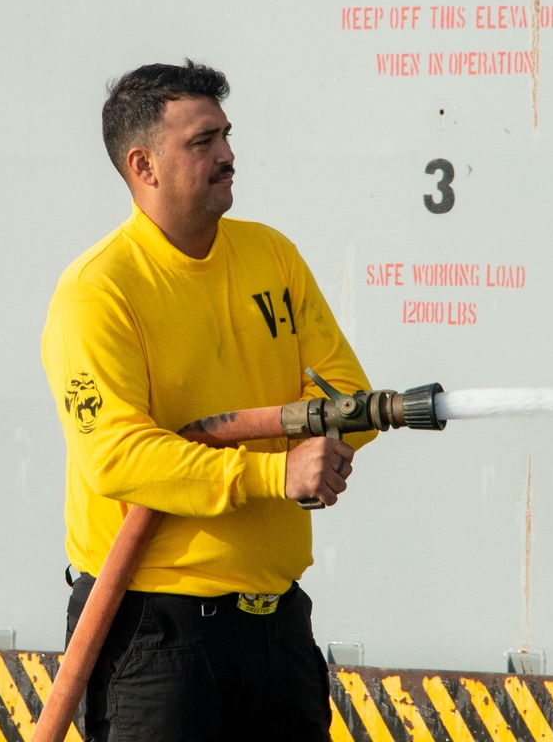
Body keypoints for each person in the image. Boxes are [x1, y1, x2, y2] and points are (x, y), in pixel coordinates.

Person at [41, 60, 376, 741]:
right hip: (154, 637)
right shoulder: (98, 291)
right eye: (203, 141)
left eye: (225, 135)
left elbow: (349, 394)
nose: (228, 155)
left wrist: (315, 444)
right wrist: (276, 472)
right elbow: (119, 458)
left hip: (277, 630)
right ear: (144, 165)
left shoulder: (271, 256)